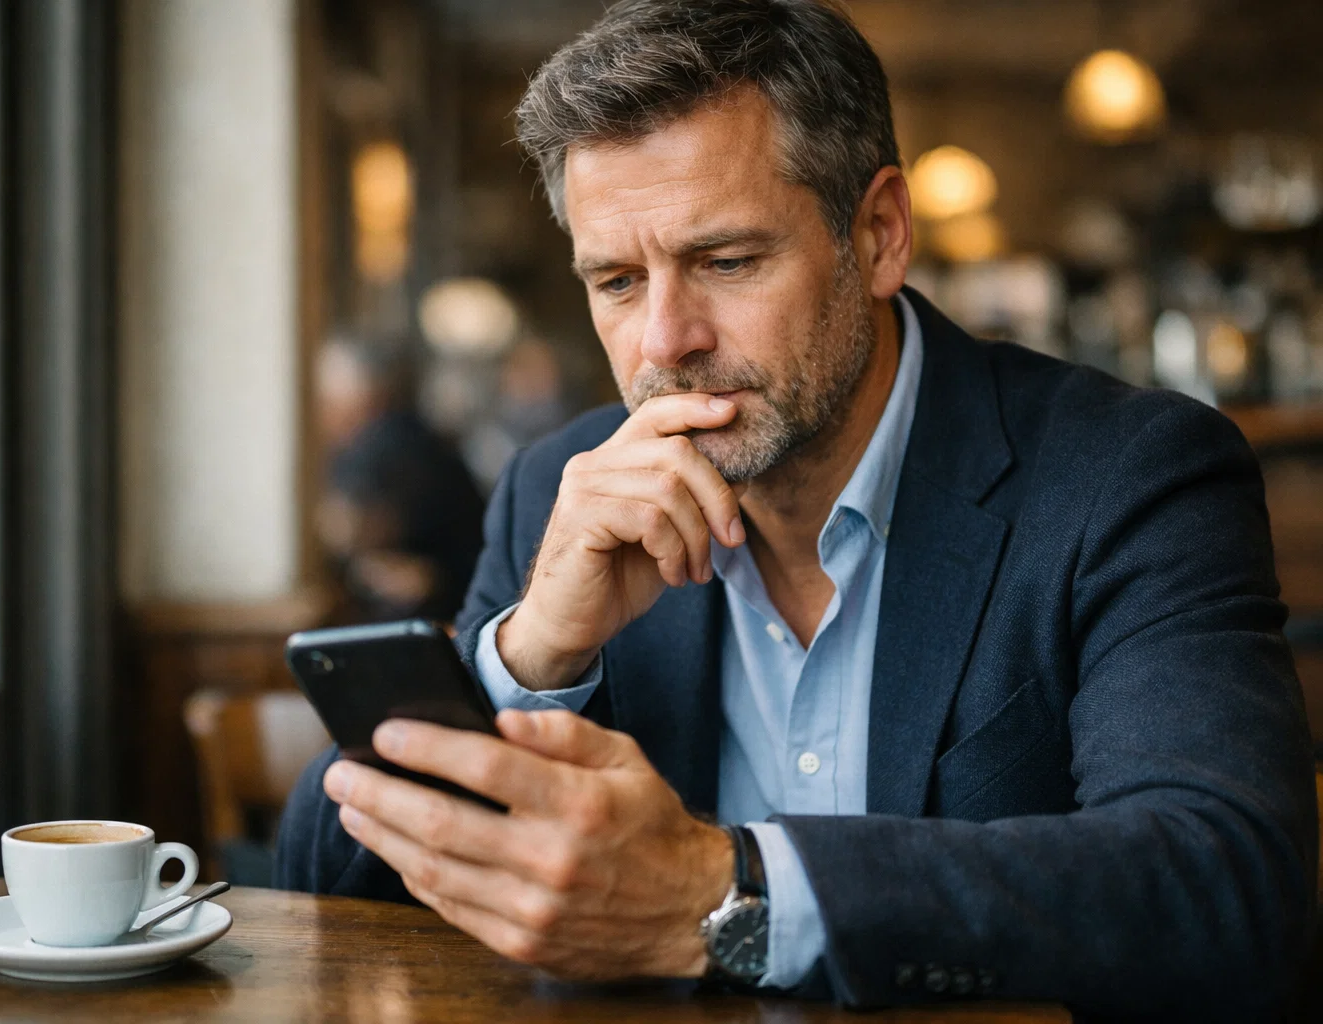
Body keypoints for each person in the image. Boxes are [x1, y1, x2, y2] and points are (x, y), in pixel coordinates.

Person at [276, 1, 1317, 1017]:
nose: (663, 341)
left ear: (877, 236)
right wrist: (533, 651)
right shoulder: (563, 486)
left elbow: (1225, 885)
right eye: (617, 281)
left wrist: (725, 893)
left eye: (726, 262)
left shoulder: (1127, 474)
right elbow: (324, 885)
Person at [315, 336, 485, 622]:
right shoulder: (422, 438)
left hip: (430, 622)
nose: (323, 411)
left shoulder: (388, 442)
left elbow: (350, 528)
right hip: (464, 609)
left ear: (365, 395)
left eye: (328, 398)